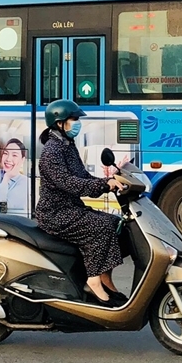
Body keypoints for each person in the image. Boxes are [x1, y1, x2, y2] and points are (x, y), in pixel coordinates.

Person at [35, 99, 127, 306]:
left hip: (70, 208)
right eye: (74, 119)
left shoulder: (67, 145)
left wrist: (110, 179)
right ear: (60, 123)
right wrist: (104, 186)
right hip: (55, 214)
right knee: (101, 226)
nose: (77, 123)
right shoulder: (52, 151)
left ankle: (105, 278)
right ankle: (93, 280)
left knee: (115, 223)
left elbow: (83, 176)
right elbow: (70, 183)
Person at [0, 138, 28, 211]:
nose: (8, 159)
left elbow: (2, 210)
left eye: (14, 155)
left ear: (22, 160)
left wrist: (6, 178)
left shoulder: (25, 182)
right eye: (6, 153)